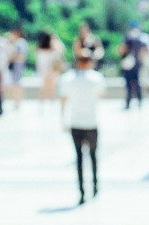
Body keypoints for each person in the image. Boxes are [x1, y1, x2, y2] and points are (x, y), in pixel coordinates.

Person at [59, 47, 106, 203]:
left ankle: (82, 192)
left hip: (76, 122)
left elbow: (63, 100)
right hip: (91, 122)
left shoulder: (68, 79)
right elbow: (102, 95)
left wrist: (63, 120)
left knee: (79, 157)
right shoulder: (97, 78)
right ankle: (95, 187)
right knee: (93, 156)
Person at [119, 22, 147, 110]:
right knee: (137, 83)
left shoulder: (127, 39)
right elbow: (144, 51)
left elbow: (122, 50)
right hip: (137, 64)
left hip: (128, 65)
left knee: (129, 85)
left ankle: (128, 103)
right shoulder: (140, 39)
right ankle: (139, 101)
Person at [35, 31, 65, 108]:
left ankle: (41, 106)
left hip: (43, 72)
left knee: (43, 89)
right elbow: (61, 52)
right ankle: (52, 106)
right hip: (51, 72)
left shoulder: (39, 50)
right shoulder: (53, 52)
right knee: (52, 89)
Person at [7, 27, 28, 110]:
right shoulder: (20, 42)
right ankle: (16, 102)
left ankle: (17, 102)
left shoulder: (20, 42)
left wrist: (11, 58)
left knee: (17, 84)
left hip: (17, 65)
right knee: (16, 84)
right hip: (17, 66)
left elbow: (21, 55)